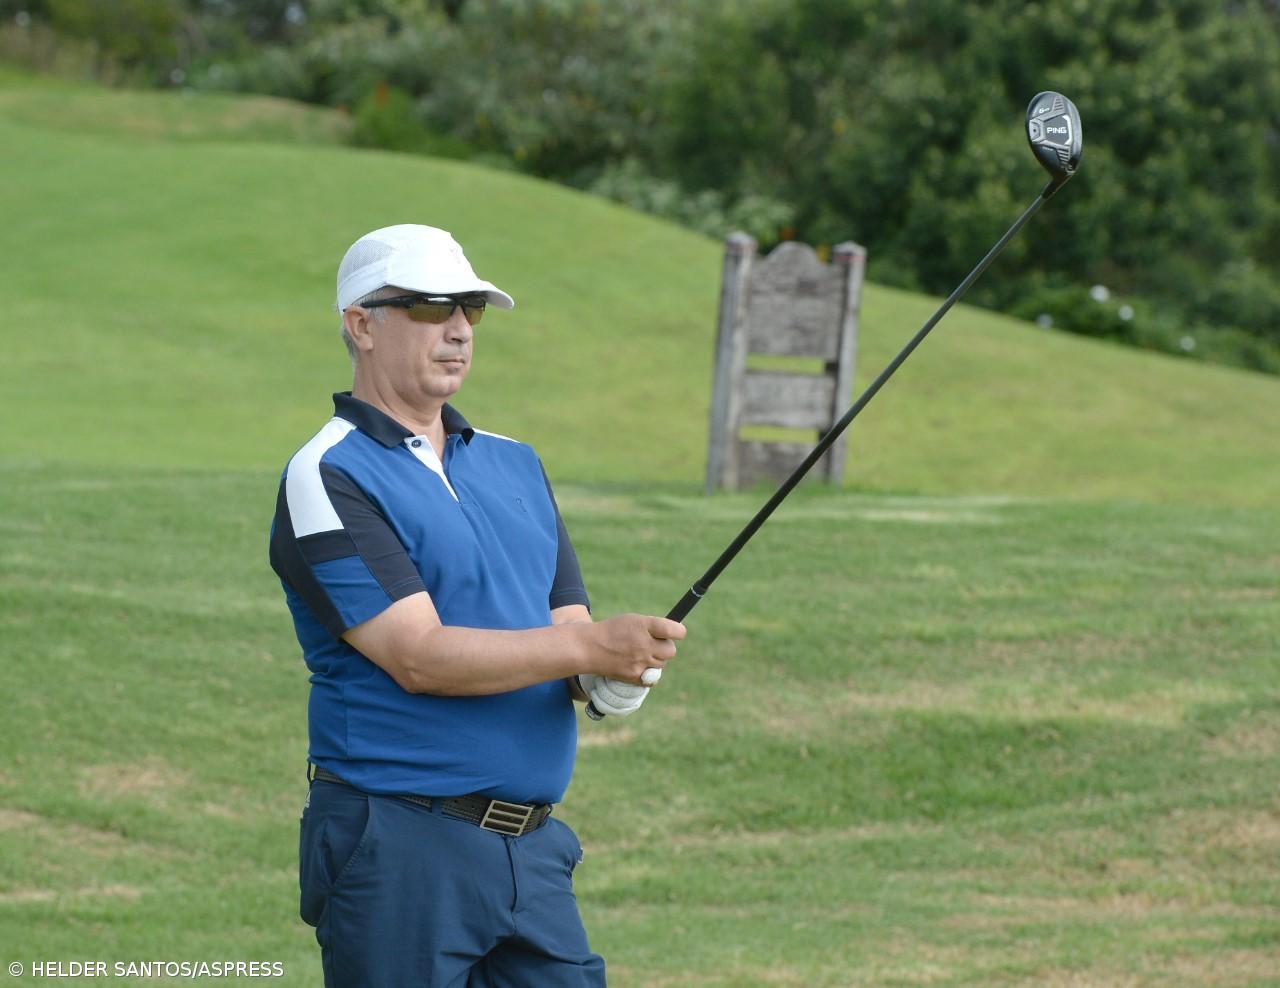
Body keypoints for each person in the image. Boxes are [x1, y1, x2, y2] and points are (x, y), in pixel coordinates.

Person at [268, 223, 686, 987]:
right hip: (396, 844)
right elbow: (419, 656)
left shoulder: (515, 463)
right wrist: (591, 650)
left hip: (532, 850)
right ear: (362, 324)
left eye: (470, 310)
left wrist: (609, 679)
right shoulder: (328, 473)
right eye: (430, 308)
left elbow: (565, 636)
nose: (459, 329)